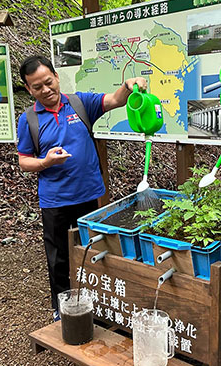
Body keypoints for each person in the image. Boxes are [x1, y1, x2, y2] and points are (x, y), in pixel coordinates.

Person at [16, 55, 147, 321]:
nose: (46, 90)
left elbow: (114, 100)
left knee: (91, 251)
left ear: (56, 76)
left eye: (48, 82)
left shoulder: (79, 103)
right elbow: (23, 161)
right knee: (59, 257)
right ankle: (61, 306)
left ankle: (93, 301)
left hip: (89, 196)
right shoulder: (28, 119)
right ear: (29, 89)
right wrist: (45, 161)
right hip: (55, 201)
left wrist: (128, 85)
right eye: (37, 87)